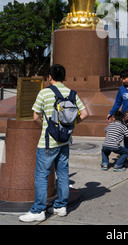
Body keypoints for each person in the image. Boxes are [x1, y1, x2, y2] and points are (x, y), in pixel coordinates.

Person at [19, 64, 88, 222]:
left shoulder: (44, 93)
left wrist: (45, 126)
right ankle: (60, 207)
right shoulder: (72, 93)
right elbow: (84, 114)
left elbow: (36, 117)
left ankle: (38, 210)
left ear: (49, 77)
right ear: (64, 77)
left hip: (48, 143)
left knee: (42, 176)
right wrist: (70, 125)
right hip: (65, 141)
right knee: (63, 174)